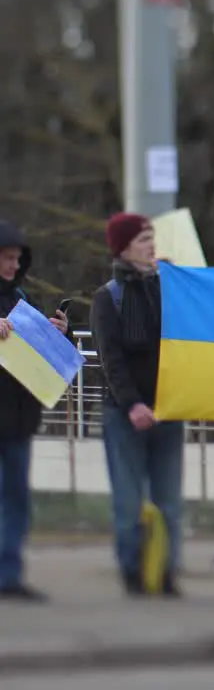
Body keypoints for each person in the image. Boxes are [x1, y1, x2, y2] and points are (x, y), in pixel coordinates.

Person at [90, 213, 186, 598]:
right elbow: (110, 361)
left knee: (169, 501)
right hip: (123, 414)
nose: (152, 245)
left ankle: (165, 573)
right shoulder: (107, 297)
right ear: (124, 247)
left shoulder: (166, 289)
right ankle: (132, 572)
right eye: (144, 238)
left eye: (152, 238)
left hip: (168, 409)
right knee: (129, 503)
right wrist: (131, 405)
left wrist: (183, 285)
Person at [0, 219, 70, 602]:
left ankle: (8, 576)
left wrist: (59, 333)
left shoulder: (20, 296)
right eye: (6, 258)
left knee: (15, 500)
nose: (12, 265)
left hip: (19, 417)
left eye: (16, 258)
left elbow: (37, 351)